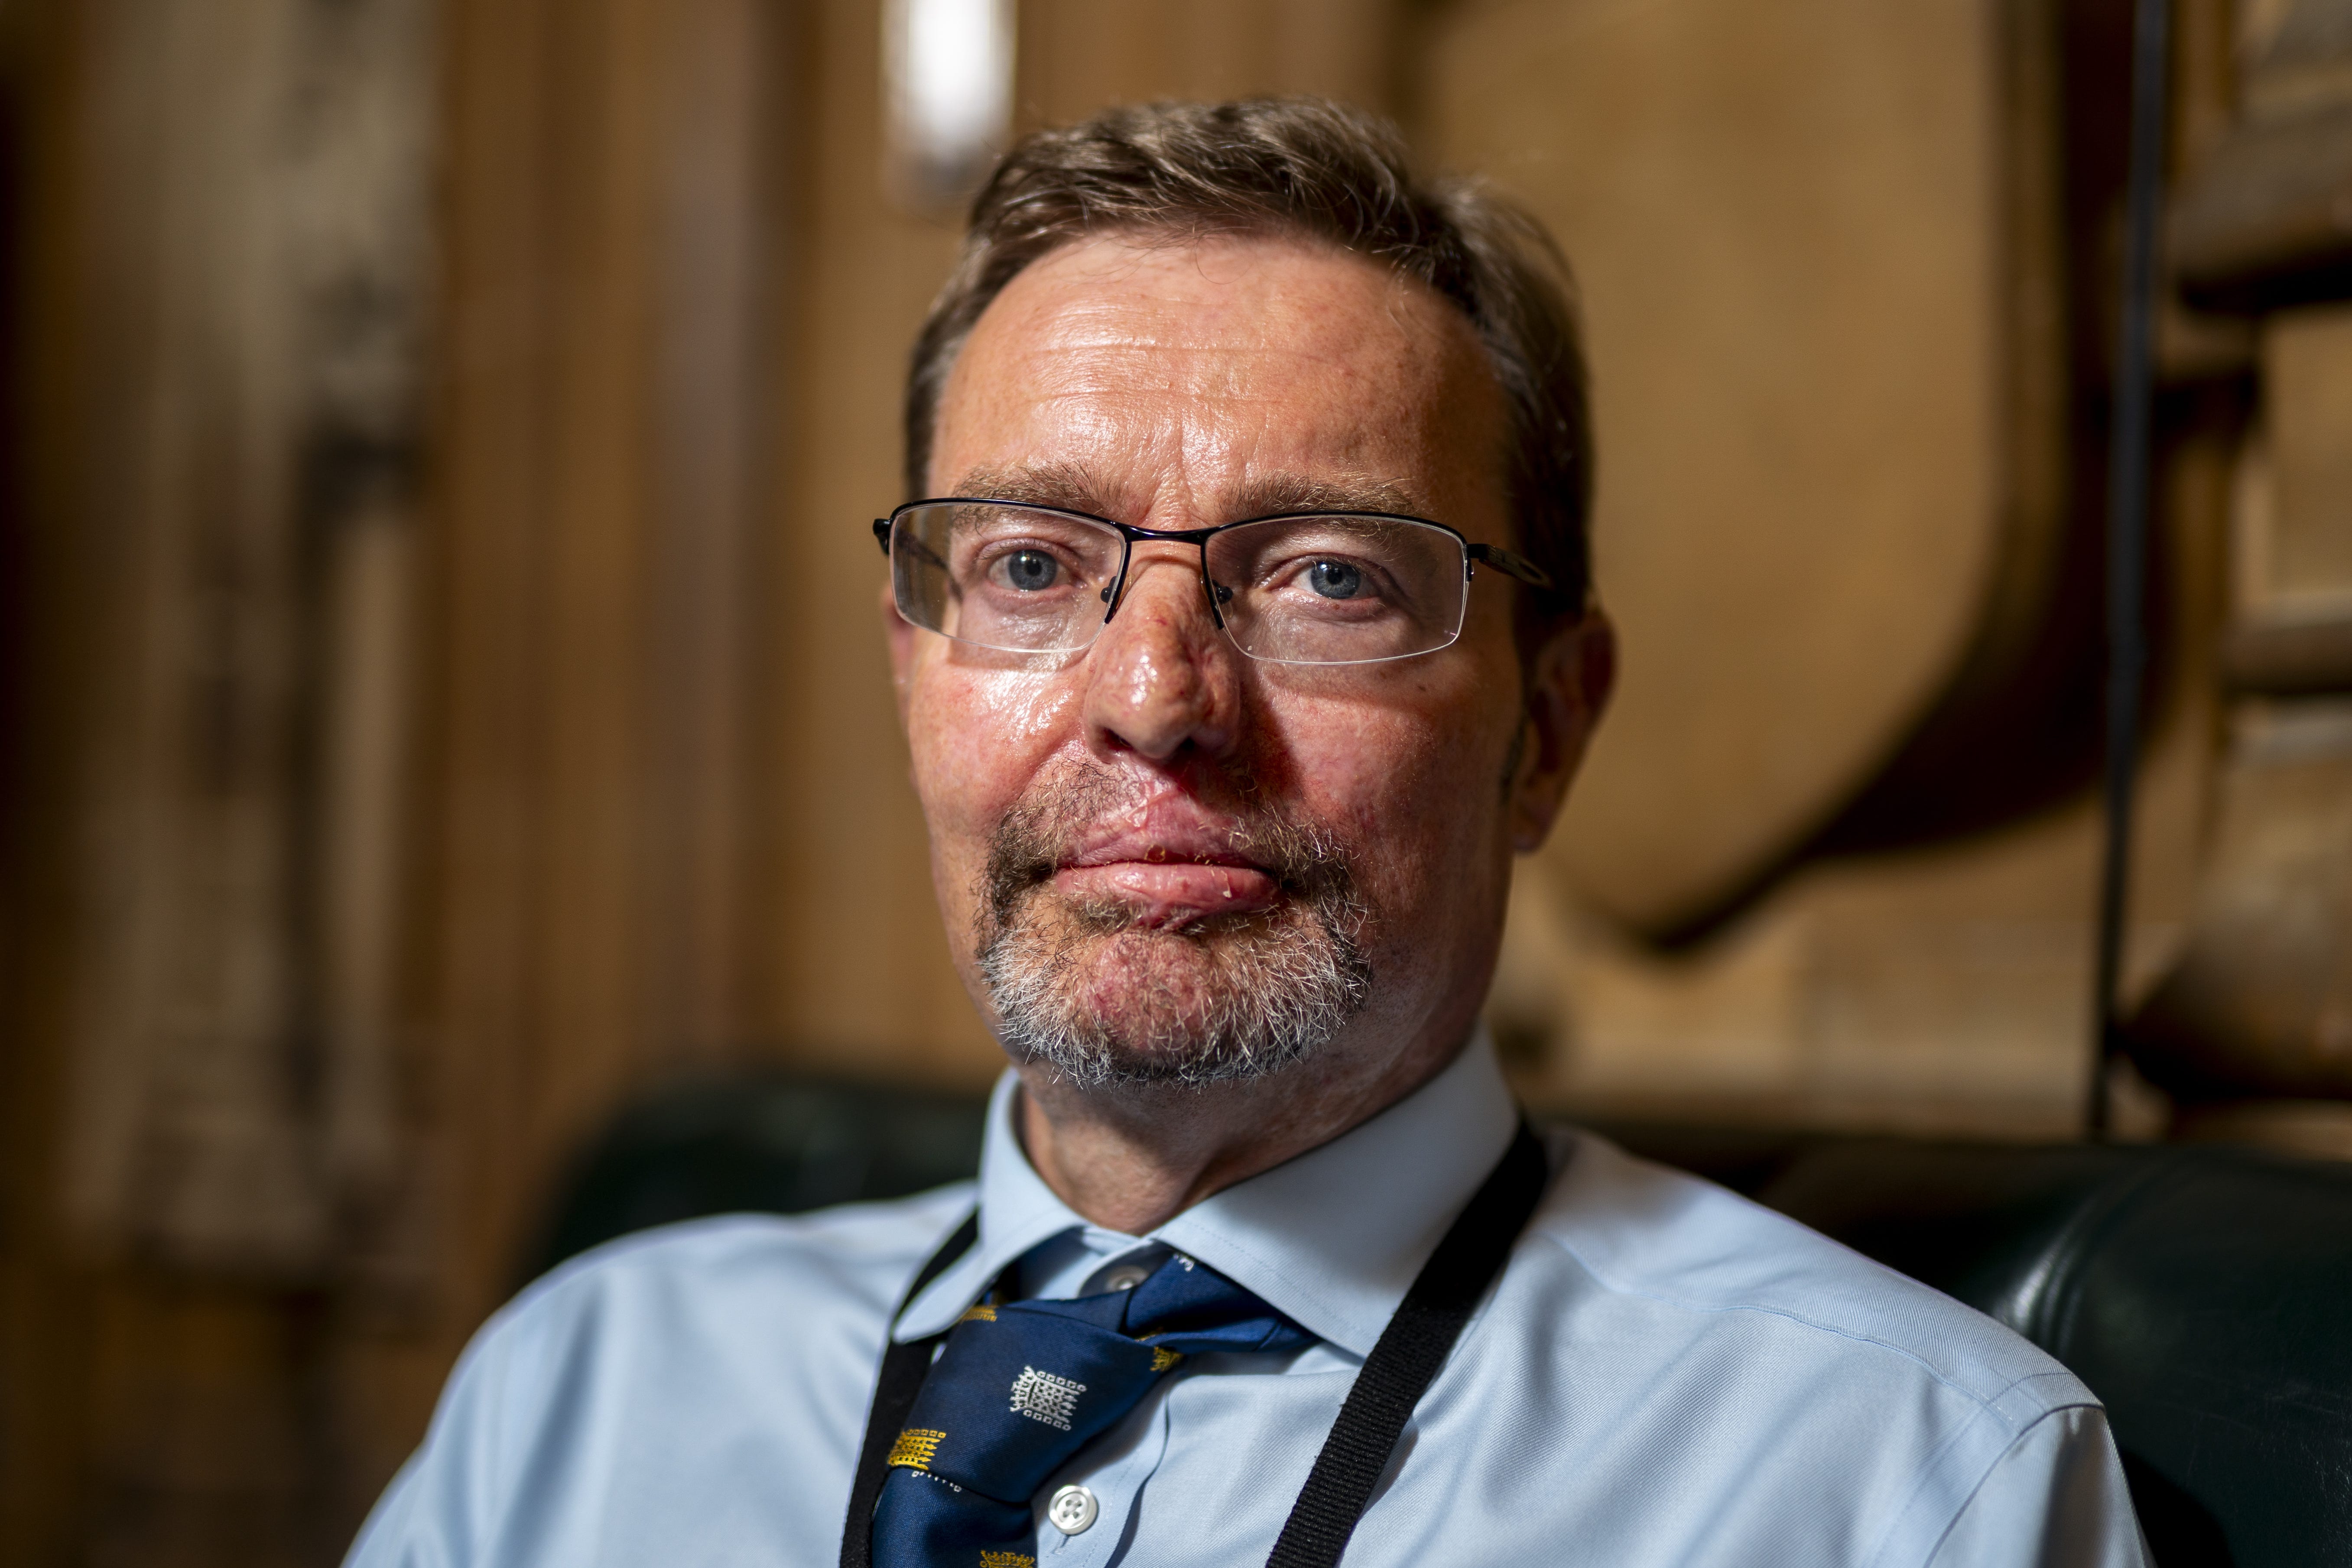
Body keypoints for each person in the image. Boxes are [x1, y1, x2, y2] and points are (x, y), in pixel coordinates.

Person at [347, 98, 2146, 1567]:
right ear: (917, 680)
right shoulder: (582, 1393)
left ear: (1551, 727)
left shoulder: (1903, 1484)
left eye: (1327, 577)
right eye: (1035, 566)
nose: (1153, 693)